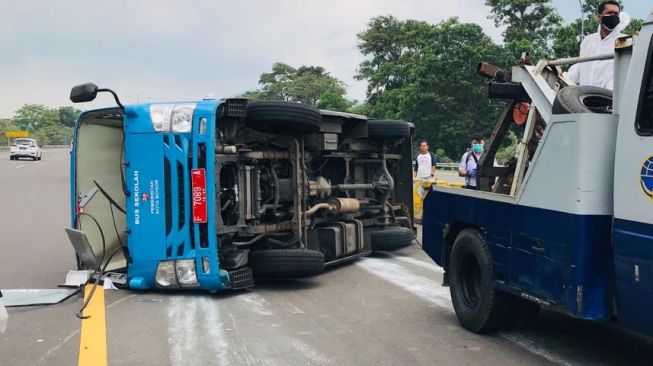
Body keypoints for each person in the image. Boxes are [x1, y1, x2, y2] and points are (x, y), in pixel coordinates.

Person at [567, 1, 631, 90]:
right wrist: (564, 77)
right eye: (609, 13)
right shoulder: (588, 40)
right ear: (599, 17)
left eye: (616, 14)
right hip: (584, 97)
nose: (613, 16)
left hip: (610, 98)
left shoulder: (625, 40)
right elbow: (581, 66)